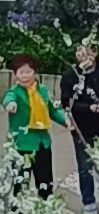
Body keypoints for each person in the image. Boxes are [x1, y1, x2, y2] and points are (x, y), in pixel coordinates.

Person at [58, 35, 99, 211]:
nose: (83, 56)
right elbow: (67, 103)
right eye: (79, 52)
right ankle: (89, 202)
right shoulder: (70, 77)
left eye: (87, 51)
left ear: (95, 52)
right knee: (85, 166)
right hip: (81, 127)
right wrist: (90, 107)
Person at [4, 61, 63, 199]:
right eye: (21, 72)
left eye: (28, 72)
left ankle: (45, 212)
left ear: (35, 73)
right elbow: (8, 99)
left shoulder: (42, 90)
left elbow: (53, 110)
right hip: (21, 145)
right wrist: (10, 104)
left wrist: (65, 120)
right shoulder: (14, 92)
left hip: (42, 143)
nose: (25, 76)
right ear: (16, 75)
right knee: (19, 184)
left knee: (45, 183)